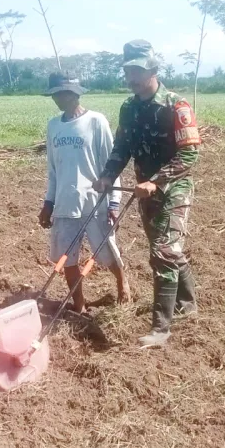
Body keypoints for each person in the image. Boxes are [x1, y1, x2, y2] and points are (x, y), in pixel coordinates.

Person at [93, 40, 201, 348]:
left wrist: (157, 180)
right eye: (128, 71)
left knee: (163, 252)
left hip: (174, 188)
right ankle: (188, 304)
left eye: (137, 70)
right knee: (166, 248)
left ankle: (160, 329)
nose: (131, 77)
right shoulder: (129, 108)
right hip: (144, 190)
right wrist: (107, 176)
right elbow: (122, 148)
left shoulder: (175, 105)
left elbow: (189, 155)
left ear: (153, 70)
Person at [39, 72, 131, 314]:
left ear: (76, 93)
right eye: (56, 94)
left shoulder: (96, 122)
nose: (60, 98)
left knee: (107, 251)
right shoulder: (53, 126)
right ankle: (79, 304)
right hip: (65, 203)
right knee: (67, 258)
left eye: (65, 92)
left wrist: (113, 203)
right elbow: (53, 170)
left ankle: (122, 284)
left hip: (94, 201)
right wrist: (48, 202)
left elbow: (113, 164)